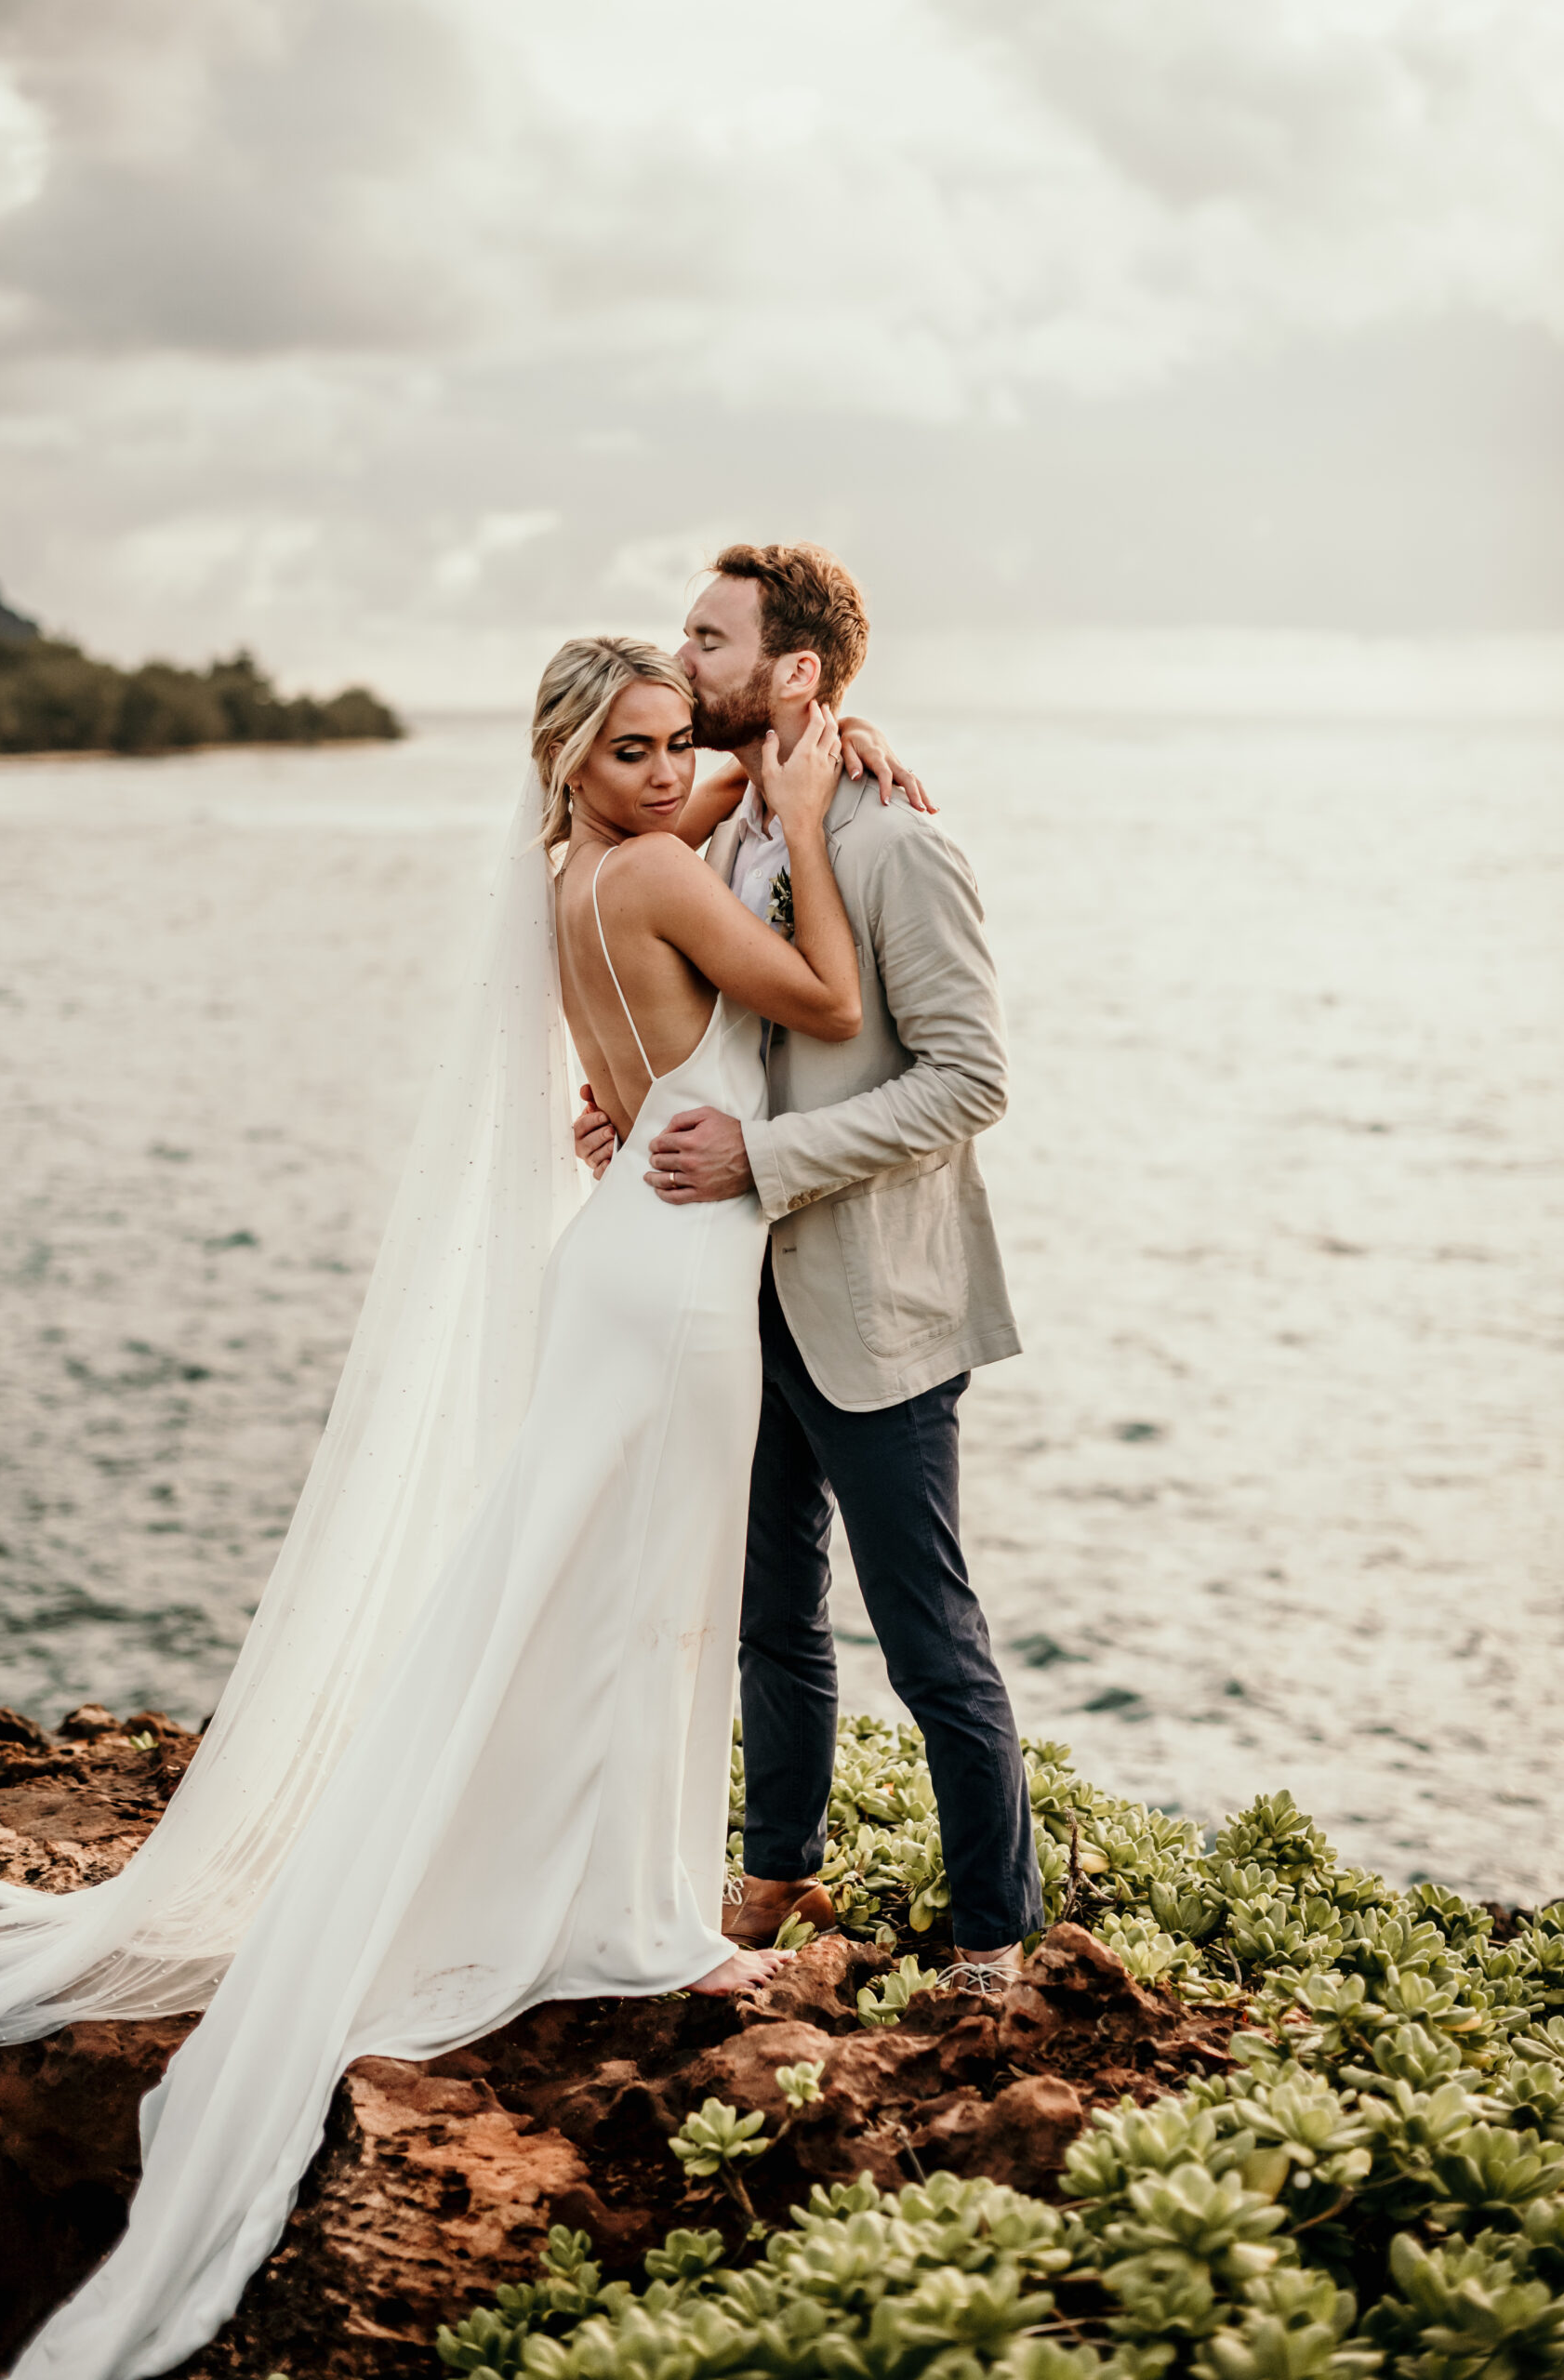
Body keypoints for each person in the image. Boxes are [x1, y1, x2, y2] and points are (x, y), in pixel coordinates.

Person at [0, 640, 876, 2378]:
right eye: (627, 749)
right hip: (685, 1272)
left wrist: (763, 756)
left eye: (672, 743)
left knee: (599, 1580)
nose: (660, 767)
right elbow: (828, 1004)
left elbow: (676, 824)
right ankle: (634, 1915)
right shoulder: (672, 866)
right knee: (648, 1594)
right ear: (569, 759)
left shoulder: (574, 872)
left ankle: (610, 1888)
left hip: (623, 1245)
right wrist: (819, 821)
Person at [577, 545, 1043, 1979]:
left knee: (928, 1638)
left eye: (708, 640)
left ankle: (994, 1944)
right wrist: (644, 1106)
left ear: (793, 671)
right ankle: (776, 1877)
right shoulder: (725, 839)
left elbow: (970, 1081)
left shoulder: (899, 843)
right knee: (772, 1616)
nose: (684, 659)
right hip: (736, 1292)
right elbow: (738, 1034)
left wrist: (759, 1161)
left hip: (874, 1303)